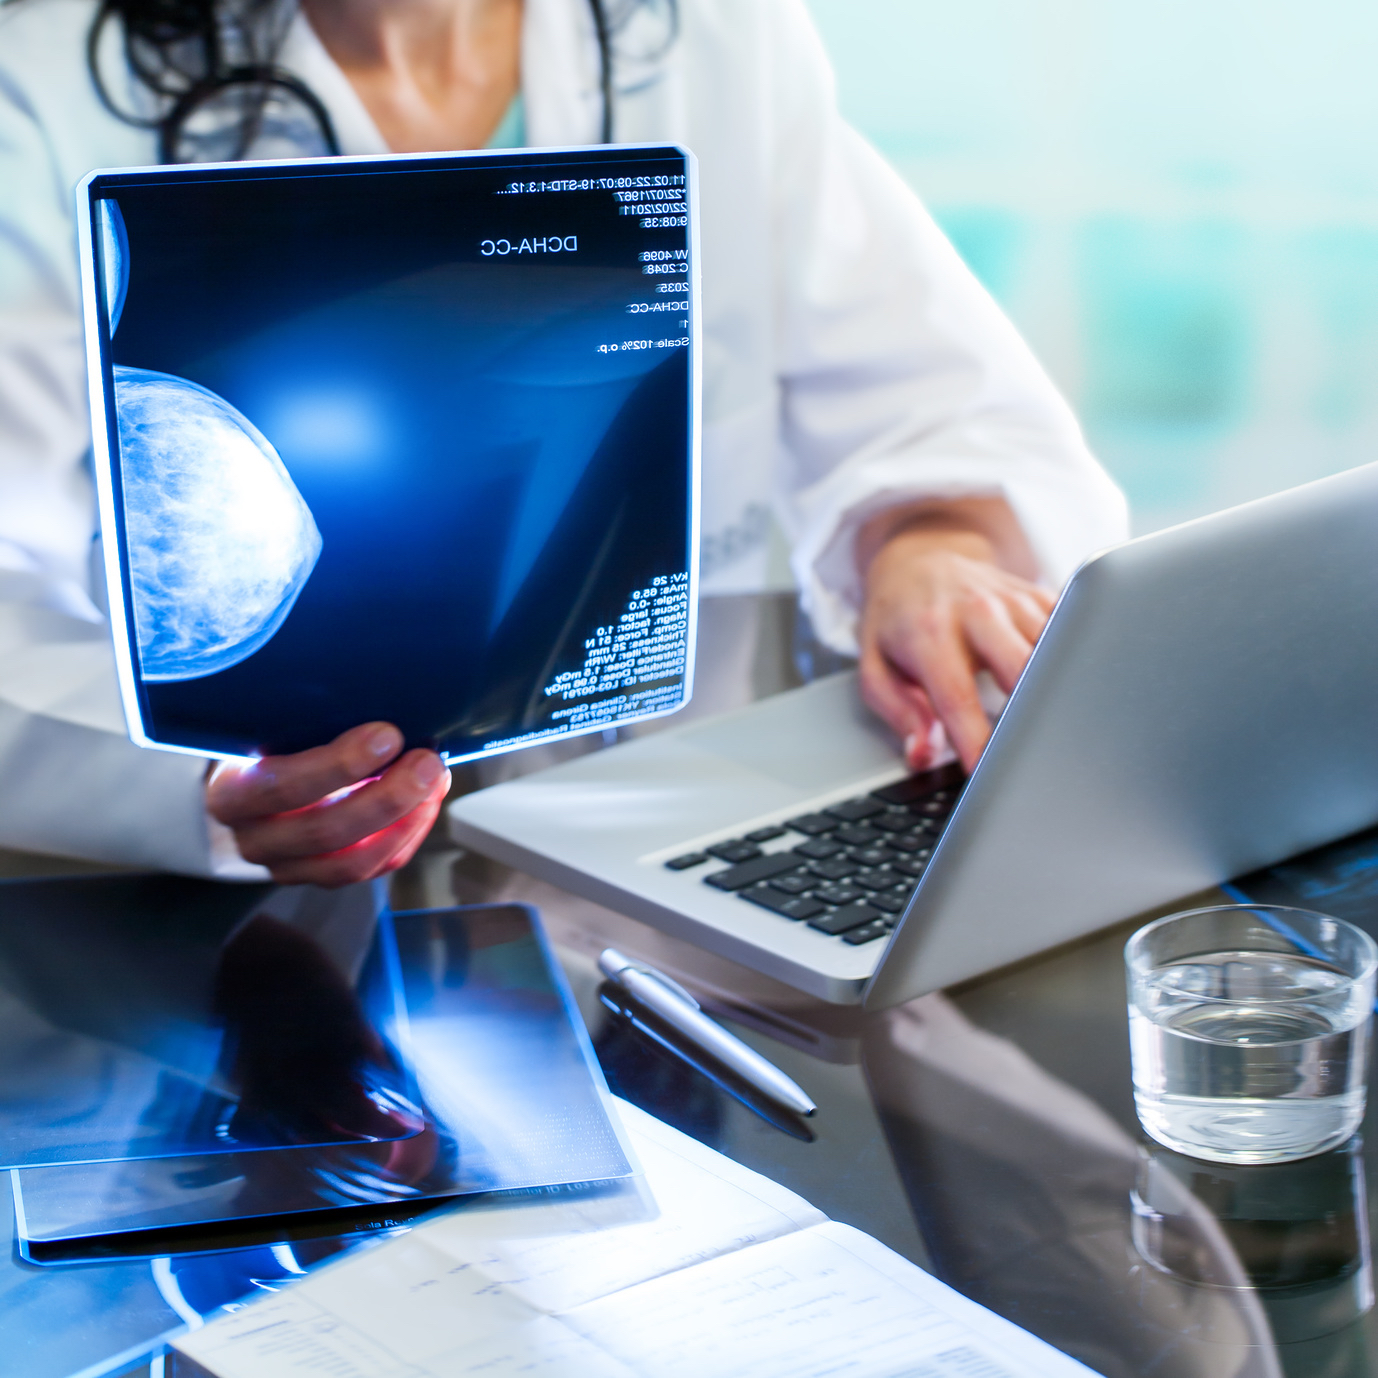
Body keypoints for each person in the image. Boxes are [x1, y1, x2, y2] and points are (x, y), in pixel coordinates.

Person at [0, 0, 1127, 887]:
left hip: (686, 856)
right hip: (264, 936)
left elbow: (921, 396)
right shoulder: (41, 94)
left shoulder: (710, 32)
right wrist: (205, 783)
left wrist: (929, 541)